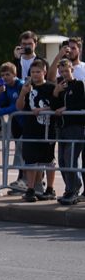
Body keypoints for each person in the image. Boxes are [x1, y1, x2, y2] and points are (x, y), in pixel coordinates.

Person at [18, 58, 57, 201]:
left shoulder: (51, 87)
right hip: (30, 128)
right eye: (33, 72)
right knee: (30, 160)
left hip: (47, 128)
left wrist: (42, 109)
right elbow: (19, 107)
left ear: (44, 72)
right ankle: (30, 189)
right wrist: (23, 92)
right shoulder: (27, 87)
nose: (35, 74)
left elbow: (55, 105)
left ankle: (50, 189)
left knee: (48, 159)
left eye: (38, 72)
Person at [54, 59, 85, 205]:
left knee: (70, 159)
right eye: (61, 71)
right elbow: (54, 107)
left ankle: (73, 190)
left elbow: (81, 103)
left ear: (72, 69)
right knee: (61, 160)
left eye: (66, 70)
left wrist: (66, 108)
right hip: (62, 127)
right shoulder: (59, 85)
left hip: (75, 127)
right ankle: (71, 187)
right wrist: (56, 92)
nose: (64, 74)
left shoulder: (79, 84)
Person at [0, 62, 24, 189]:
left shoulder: (19, 85)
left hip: (25, 121)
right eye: (3, 74)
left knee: (25, 150)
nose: (5, 77)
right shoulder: (4, 85)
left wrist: (2, 111)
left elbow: (18, 105)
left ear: (14, 74)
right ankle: (21, 178)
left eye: (8, 74)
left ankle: (25, 180)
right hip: (15, 123)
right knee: (19, 150)